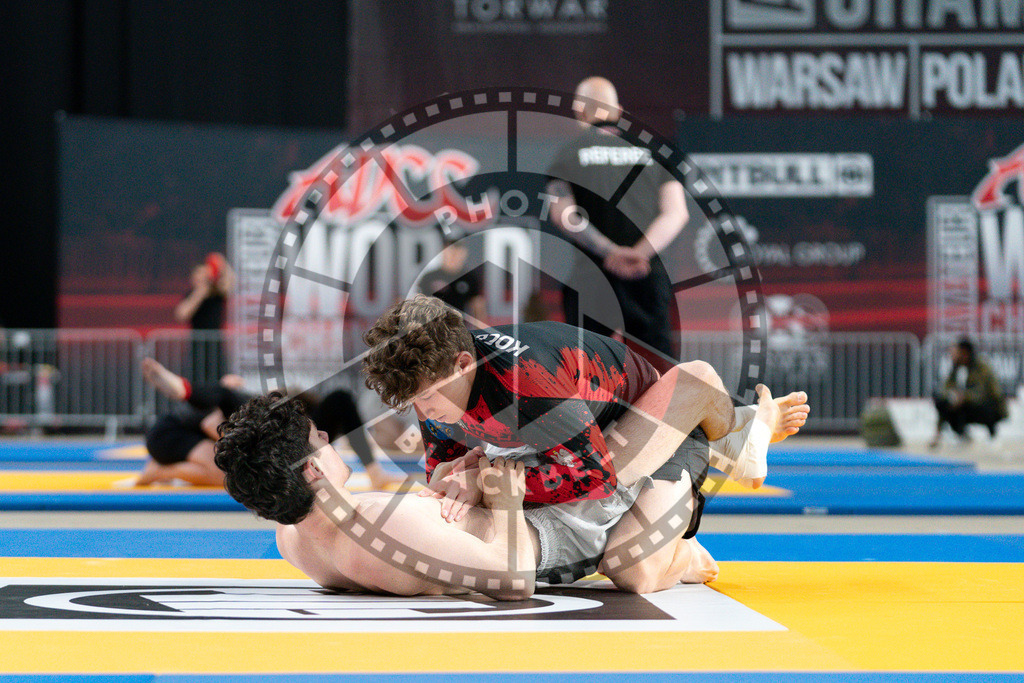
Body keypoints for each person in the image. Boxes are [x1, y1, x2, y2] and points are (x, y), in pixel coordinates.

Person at [361, 296, 809, 592]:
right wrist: (450, 478)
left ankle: (734, 431)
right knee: (623, 563)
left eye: (425, 398)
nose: (423, 413)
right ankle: (740, 427)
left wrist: (481, 480)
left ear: (463, 363)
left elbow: (595, 475)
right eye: (412, 402)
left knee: (632, 570)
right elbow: (445, 472)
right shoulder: (441, 384)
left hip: (647, 427)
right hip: (576, 438)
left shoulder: (527, 383)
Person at [213, 376, 805, 599]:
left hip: (553, 508)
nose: (330, 439)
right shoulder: (386, 525)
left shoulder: (295, 540)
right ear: (311, 470)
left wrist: (452, 485)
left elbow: (416, 545)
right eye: (321, 438)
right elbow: (515, 579)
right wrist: (504, 499)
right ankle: (743, 434)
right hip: (571, 521)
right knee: (687, 383)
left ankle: (743, 431)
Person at [546, 76, 688, 360]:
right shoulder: (656, 152)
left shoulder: (568, 155)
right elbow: (676, 212)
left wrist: (611, 253)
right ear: (619, 111)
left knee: (583, 372)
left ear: (579, 110)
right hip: (646, 275)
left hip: (592, 275)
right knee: (658, 370)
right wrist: (638, 254)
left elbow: (564, 215)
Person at [137, 358, 403, 489]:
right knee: (225, 476)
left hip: (199, 431)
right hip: (170, 434)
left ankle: (374, 473)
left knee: (339, 400)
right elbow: (210, 425)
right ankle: (161, 471)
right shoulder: (239, 409)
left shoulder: (274, 417)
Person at [930, 338, 1008, 447]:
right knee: (943, 402)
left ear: (964, 352)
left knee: (987, 404)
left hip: (988, 407)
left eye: (956, 352)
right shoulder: (955, 369)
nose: (952, 355)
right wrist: (937, 433)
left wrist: (963, 397)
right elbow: (945, 390)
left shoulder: (982, 367)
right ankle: (961, 435)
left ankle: (992, 434)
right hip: (966, 405)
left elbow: (985, 393)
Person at [174, 253, 234, 382]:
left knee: (219, 381)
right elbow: (181, 314)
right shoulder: (192, 295)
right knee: (198, 382)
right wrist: (201, 292)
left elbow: (230, 281)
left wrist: (220, 262)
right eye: (198, 274)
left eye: (204, 273)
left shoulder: (217, 293)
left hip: (216, 347)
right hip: (197, 348)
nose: (201, 277)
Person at [417, 235, 487, 324]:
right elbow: (418, 303)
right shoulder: (430, 277)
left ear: (464, 254)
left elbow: (478, 306)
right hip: (432, 327)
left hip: (459, 328)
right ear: (443, 253)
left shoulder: (469, 277)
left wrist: (481, 331)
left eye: (457, 253)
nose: (453, 257)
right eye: (450, 253)